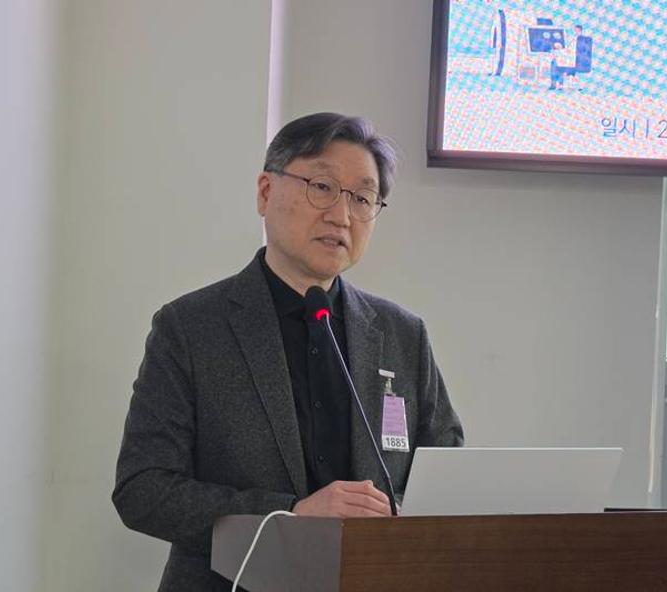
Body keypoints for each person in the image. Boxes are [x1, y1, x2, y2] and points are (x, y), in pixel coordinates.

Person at [112, 112, 464, 591]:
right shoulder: (190, 328)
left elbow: (446, 476)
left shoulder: (403, 335)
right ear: (265, 192)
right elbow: (143, 488)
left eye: (362, 198)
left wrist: (394, 515)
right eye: (322, 187)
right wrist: (289, 514)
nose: (341, 215)